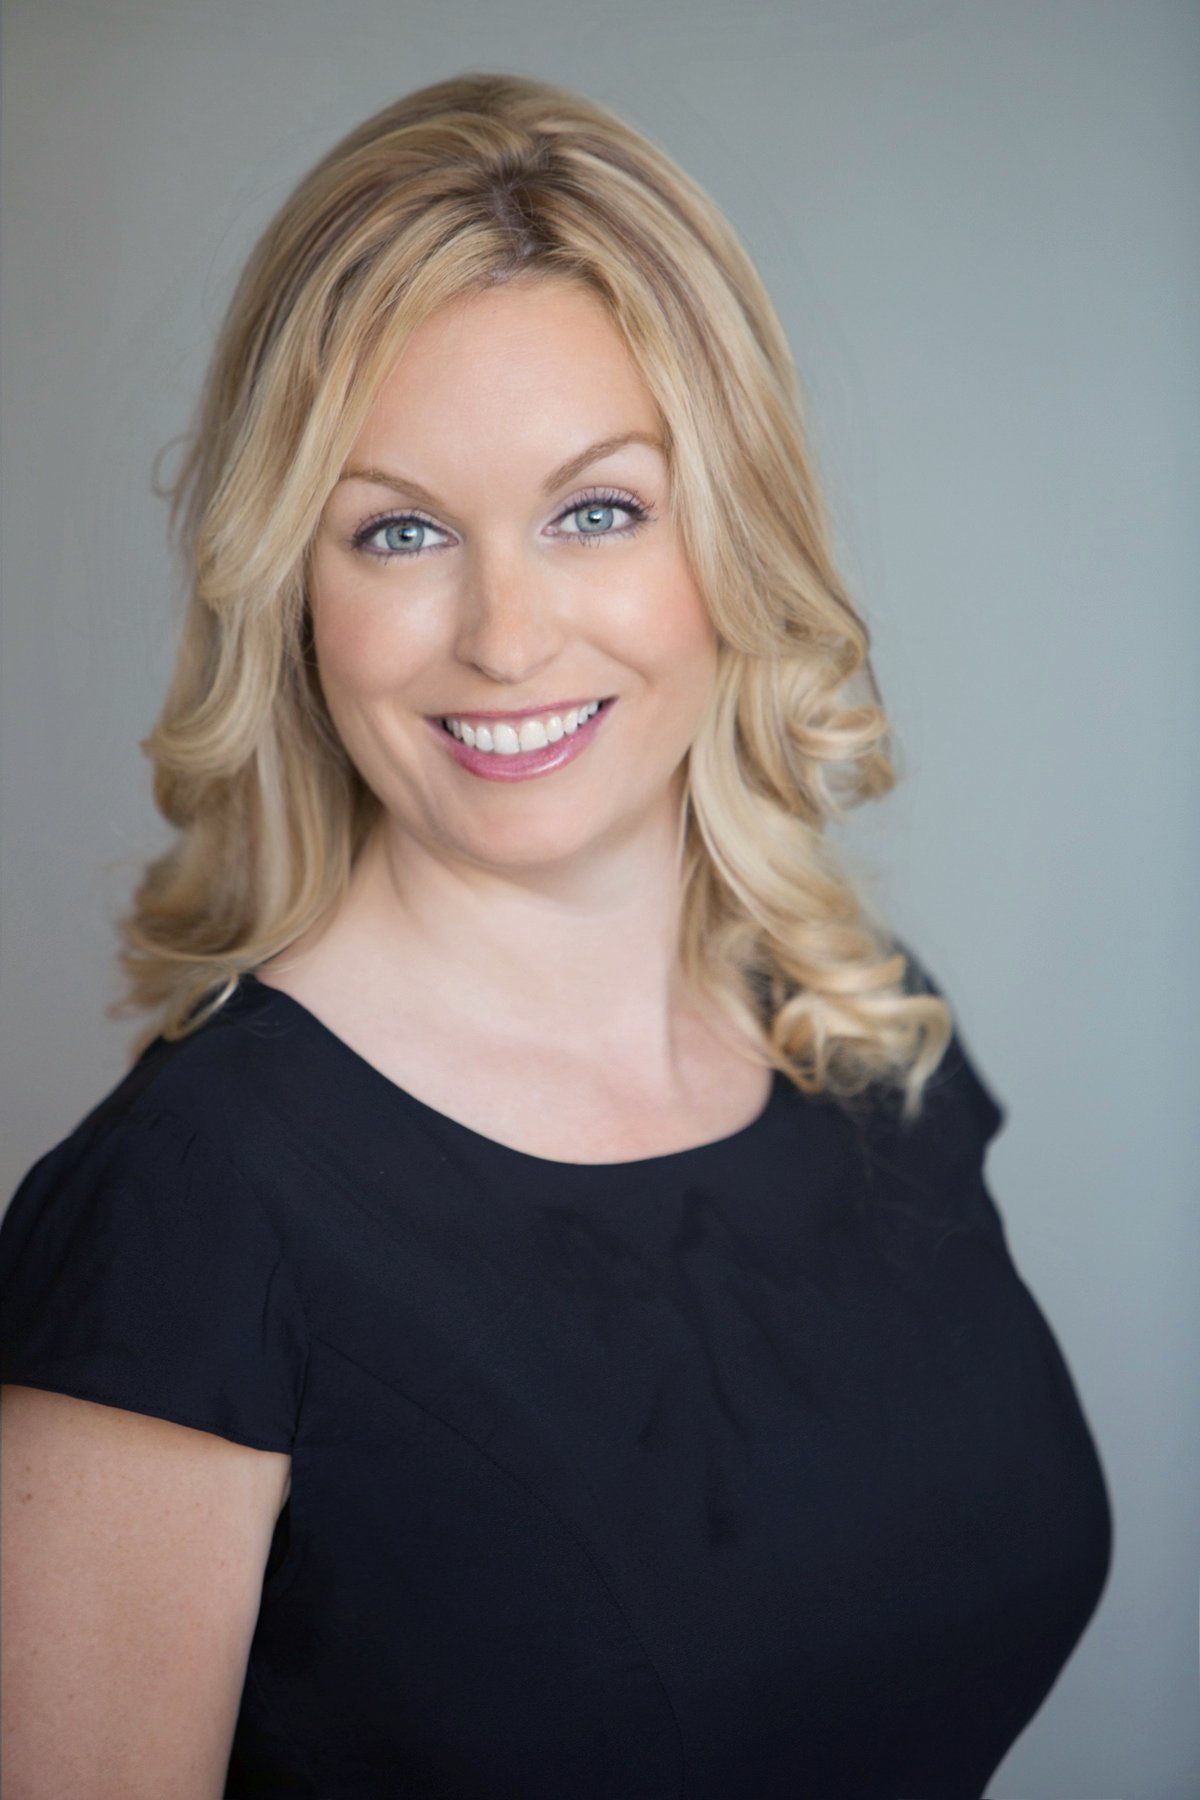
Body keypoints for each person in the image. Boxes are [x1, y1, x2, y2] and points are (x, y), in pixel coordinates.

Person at [0, 70, 1111, 1799]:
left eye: (598, 508)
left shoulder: (867, 1030)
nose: (505, 635)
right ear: (294, 589)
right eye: (401, 531)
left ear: (728, 538)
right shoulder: (187, 1221)